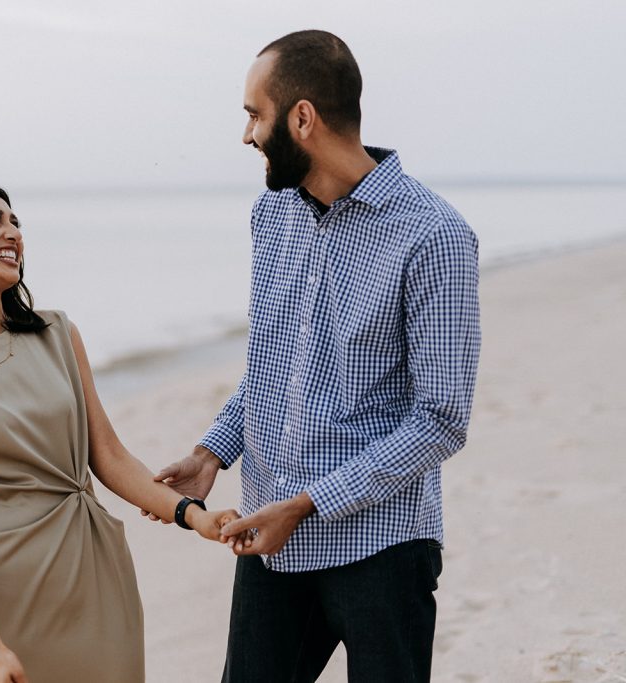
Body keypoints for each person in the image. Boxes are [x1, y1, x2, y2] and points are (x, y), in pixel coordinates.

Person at [150, 30, 481, 681]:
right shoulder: (270, 215)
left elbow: (442, 418)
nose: (246, 134)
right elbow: (275, 365)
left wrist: (306, 503)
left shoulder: (434, 236)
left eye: (254, 113)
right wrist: (213, 451)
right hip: (270, 544)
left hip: (382, 548)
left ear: (302, 117)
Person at [0, 182, 240, 683]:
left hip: (92, 583)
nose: (12, 232)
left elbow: (110, 457)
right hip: (0, 606)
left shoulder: (58, 334)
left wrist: (194, 517)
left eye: (15, 221)